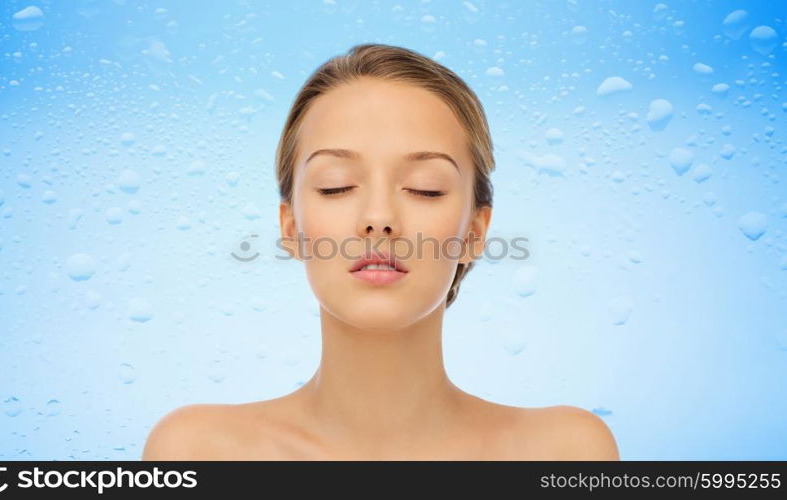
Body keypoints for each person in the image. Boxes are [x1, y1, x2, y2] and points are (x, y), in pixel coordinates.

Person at [142, 43, 619, 460]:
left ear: (475, 232)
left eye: (425, 189)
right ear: (291, 227)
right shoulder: (197, 452)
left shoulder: (565, 452)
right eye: (336, 186)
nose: (378, 218)